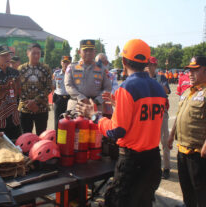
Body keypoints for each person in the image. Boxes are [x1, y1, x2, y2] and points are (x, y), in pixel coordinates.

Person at [77, 39, 166, 207]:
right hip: (153, 159)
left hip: (132, 163)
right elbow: (147, 115)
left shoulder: (127, 87)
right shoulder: (158, 87)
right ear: (147, 62)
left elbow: (116, 130)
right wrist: (121, 106)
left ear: (124, 62)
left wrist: (93, 116)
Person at [168, 56, 206, 207]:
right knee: (187, 191)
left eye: (195, 70)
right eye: (189, 70)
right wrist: (170, 136)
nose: (190, 73)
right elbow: (180, 114)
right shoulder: (188, 91)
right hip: (182, 151)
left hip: (199, 154)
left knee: (203, 193)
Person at [64, 40, 111, 113]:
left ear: (95, 52)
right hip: (76, 106)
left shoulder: (102, 69)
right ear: (79, 52)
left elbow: (108, 87)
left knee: (97, 124)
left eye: (91, 50)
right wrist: (81, 98)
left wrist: (97, 100)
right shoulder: (72, 67)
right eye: (85, 50)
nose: (88, 53)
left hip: (96, 107)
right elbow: (68, 85)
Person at [145, 56, 171, 179]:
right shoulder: (142, 78)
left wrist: (152, 83)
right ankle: (151, 166)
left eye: (153, 65)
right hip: (147, 112)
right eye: (149, 65)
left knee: (165, 140)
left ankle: (166, 168)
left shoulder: (161, 77)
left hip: (161, 111)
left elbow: (166, 90)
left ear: (155, 66)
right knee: (148, 141)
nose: (151, 67)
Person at [18, 43, 52, 135]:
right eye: (33, 53)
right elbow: (17, 88)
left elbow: (49, 87)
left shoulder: (46, 68)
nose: (36, 56)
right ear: (27, 53)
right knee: (25, 137)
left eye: (39, 53)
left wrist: (35, 101)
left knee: (41, 136)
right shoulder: (21, 69)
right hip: (25, 108)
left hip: (41, 108)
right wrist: (28, 103)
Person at [52, 56, 72, 131]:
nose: (65, 64)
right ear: (61, 63)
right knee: (57, 120)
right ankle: (57, 139)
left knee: (69, 120)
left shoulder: (73, 74)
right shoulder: (56, 73)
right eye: (64, 62)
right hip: (59, 99)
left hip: (69, 99)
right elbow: (53, 86)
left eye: (68, 62)